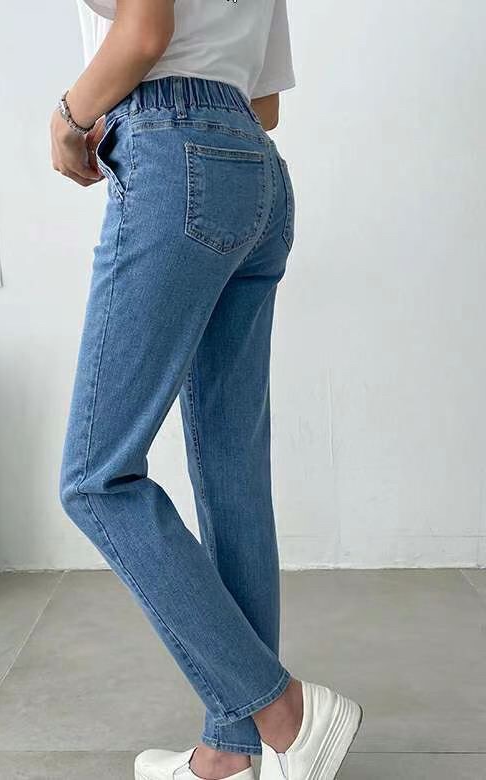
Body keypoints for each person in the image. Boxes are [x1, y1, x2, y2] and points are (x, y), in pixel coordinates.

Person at [52, 1, 362, 778]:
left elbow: (144, 31)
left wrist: (68, 118)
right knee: (232, 473)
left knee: (96, 478)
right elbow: (265, 103)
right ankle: (233, 749)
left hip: (173, 152)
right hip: (255, 169)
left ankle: (284, 713)